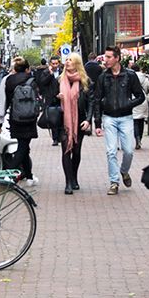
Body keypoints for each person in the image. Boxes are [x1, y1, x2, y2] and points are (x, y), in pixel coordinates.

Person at [93, 46, 145, 195]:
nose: (106, 60)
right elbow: (96, 99)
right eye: (105, 57)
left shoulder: (129, 75)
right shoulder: (103, 77)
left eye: (109, 57)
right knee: (111, 151)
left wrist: (129, 104)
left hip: (126, 117)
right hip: (109, 117)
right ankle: (114, 182)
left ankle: (124, 171)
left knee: (128, 151)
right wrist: (97, 123)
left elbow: (140, 96)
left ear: (117, 58)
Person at [57, 54, 93, 194]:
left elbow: (91, 102)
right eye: (66, 60)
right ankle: (68, 183)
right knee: (66, 150)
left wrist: (88, 119)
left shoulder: (85, 81)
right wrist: (56, 97)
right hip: (63, 121)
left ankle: (74, 177)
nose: (67, 62)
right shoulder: (59, 80)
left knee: (76, 151)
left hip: (80, 120)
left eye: (70, 60)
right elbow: (49, 100)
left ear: (77, 63)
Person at [1, 59, 38, 186]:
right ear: (27, 69)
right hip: (29, 118)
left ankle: (29, 176)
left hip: (16, 117)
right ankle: (9, 173)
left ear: (15, 69)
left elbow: (7, 100)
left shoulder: (9, 81)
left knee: (24, 146)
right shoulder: (32, 80)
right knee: (23, 147)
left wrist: (0, 118)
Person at [132, 62, 149, 150]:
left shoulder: (130, 77)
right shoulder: (145, 78)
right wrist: (148, 98)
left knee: (135, 120)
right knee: (141, 120)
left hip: (133, 100)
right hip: (143, 100)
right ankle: (140, 139)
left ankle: (137, 138)